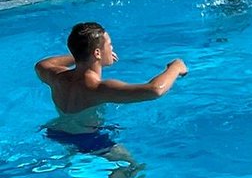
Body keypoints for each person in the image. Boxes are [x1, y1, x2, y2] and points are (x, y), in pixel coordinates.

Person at [35, 22, 188, 130]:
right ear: (97, 53)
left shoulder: (57, 77)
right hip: (87, 142)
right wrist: (176, 67)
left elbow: (42, 64)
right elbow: (154, 90)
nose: (112, 48)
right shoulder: (97, 89)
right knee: (133, 169)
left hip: (56, 131)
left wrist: (82, 55)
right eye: (109, 45)